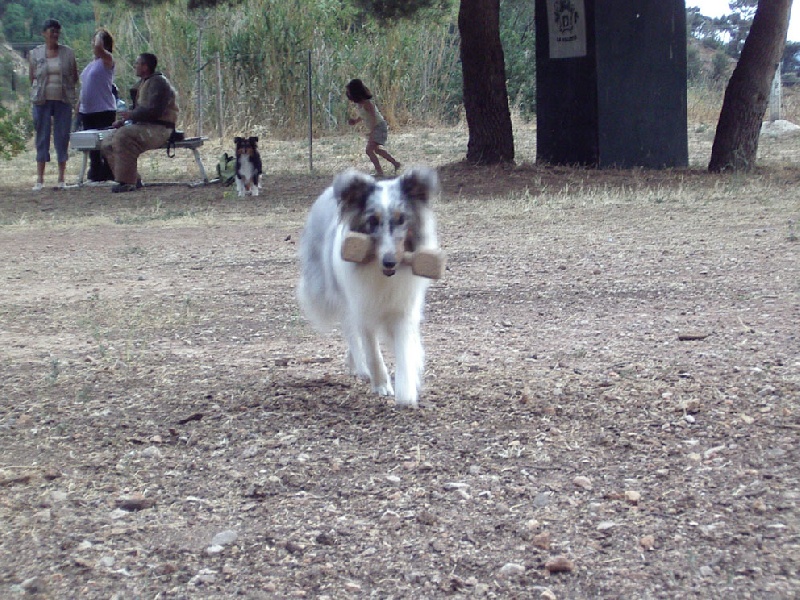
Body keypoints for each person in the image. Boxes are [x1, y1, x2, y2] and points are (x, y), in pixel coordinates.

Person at [100, 52, 179, 193]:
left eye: (137, 63)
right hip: (145, 126)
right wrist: (124, 121)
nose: (135, 66)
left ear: (145, 66)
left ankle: (126, 182)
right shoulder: (144, 83)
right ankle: (131, 178)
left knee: (123, 136)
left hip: (160, 128)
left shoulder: (159, 82)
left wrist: (131, 115)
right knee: (107, 143)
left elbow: (155, 111)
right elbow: (140, 110)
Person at [28, 18, 78, 191]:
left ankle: (61, 178)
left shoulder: (68, 53)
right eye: (51, 31)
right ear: (44, 34)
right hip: (41, 100)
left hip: (63, 100)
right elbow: (32, 77)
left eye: (57, 31)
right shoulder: (35, 54)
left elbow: (74, 76)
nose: (54, 35)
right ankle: (40, 179)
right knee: (42, 137)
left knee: (62, 136)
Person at [78, 29, 116, 183]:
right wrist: (78, 107)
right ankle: (95, 173)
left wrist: (100, 34)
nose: (94, 45)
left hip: (103, 109)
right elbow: (85, 86)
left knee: (105, 145)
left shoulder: (107, 60)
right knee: (92, 145)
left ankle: (110, 172)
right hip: (87, 111)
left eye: (96, 41)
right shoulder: (91, 65)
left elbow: (100, 48)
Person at [346, 78, 401, 177]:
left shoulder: (367, 103)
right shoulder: (360, 104)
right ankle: (395, 163)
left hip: (378, 126)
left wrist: (372, 131)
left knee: (369, 150)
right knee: (376, 150)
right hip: (376, 127)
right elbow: (364, 116)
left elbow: (373, 117)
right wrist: (355, 121)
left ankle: (380, 172)